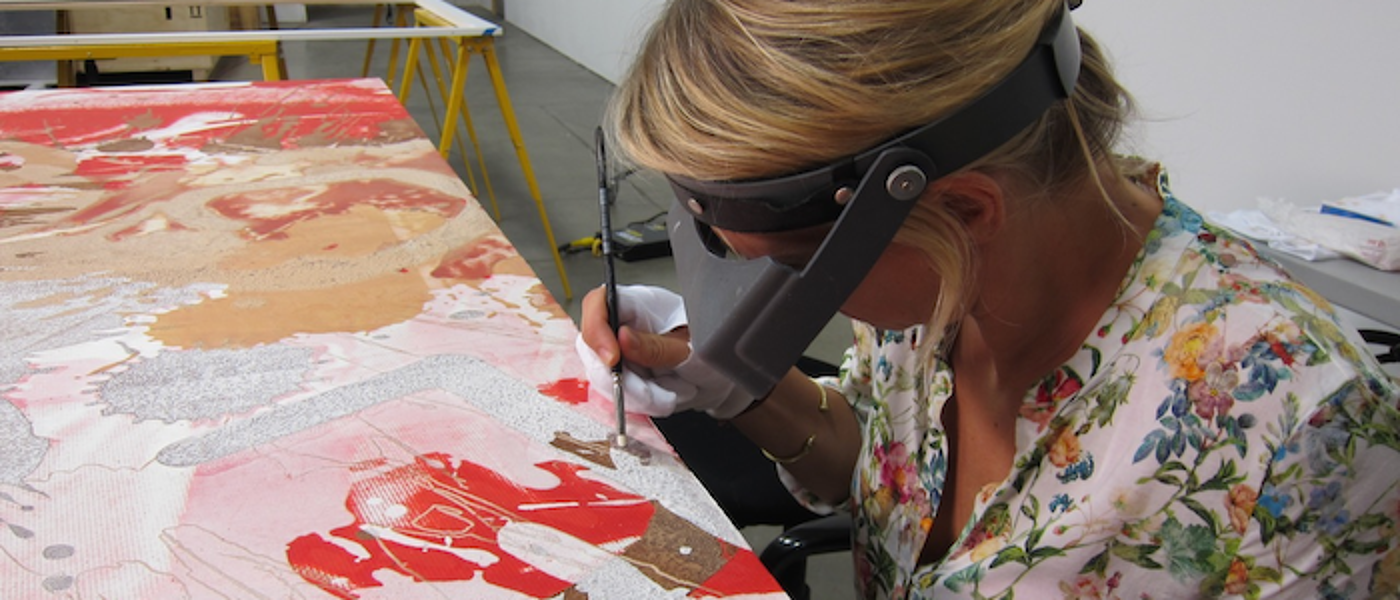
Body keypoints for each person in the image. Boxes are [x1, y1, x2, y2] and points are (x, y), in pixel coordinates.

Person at [574, 0, 1400, 597]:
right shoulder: (946, 275)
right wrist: (730, 380)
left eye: (789, 272)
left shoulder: (1300, 428)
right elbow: (871, 460)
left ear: (965, 210)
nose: (752, 297)